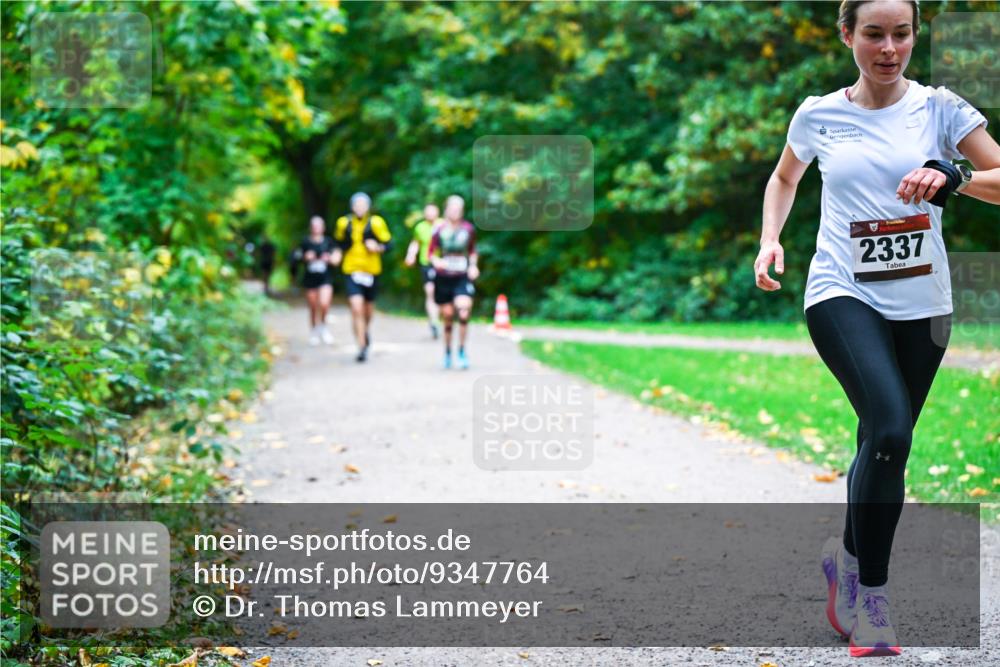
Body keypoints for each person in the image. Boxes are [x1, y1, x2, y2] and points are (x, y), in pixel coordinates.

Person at [754, 0, 999, 657]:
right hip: (842, 288)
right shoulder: (819, 113)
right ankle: (874, 601)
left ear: (915, 36)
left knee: (881, 443)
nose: (888, 48)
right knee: (889, 428)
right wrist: (769, 240)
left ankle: (847, 559)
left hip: (924, 301)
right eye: (874, 34)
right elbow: (784, 177)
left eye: (901, 34)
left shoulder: (941, 109)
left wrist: (956, 175)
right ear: (847, 35)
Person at [332, 192, 392, 363]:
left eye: (363, 204)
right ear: (352, 206)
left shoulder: (376, 223)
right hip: (351, 270)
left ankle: (364, 331)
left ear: (368, 206)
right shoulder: (343, 223)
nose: (360, 207)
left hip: (372, 271)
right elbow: (338, 242)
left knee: (367, 310)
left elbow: (389, 244)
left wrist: (378, 248)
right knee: (356, 307)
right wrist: (336, 254)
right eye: (356, 204)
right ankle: (361, 346)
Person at [428, 195, 478, 370]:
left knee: (464, 312)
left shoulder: (468, 229)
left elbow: (472, 251)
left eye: (458, 208)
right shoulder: (438, 229)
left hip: (461, 277)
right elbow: (431, 253)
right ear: (446, 209)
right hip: (443, 278)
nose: (455, 211)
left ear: (462, 211)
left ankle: (462, 350)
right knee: (448, 316)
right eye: (452, 208)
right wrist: (436, 261)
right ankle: (448, 351)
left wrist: (473, 266)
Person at [292, 216, 336, 345]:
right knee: (312, 306)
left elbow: (335, 257)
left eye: (319, 225)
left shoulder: (328, 241)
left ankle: (323, 327)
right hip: (310, 278)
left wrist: (329, 258)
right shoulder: (305, 242)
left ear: (323, 227)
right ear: (311, 228)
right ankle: (314, 331)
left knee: (324, 304)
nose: (316, 228)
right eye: (314, 226)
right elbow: (297, 257)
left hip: (325, 277)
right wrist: (306, 257)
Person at [404, 203, 443, 339]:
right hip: (426, 263)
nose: (430, 214)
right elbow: (416, 243)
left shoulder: (443, 225)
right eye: (428, 212)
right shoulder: (420, 227)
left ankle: (440, 317)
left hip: (443, 264)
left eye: (433, 211)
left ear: (438, 212)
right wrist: (410, 255)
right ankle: (434, 321)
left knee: (441, 293)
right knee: (430, 292)